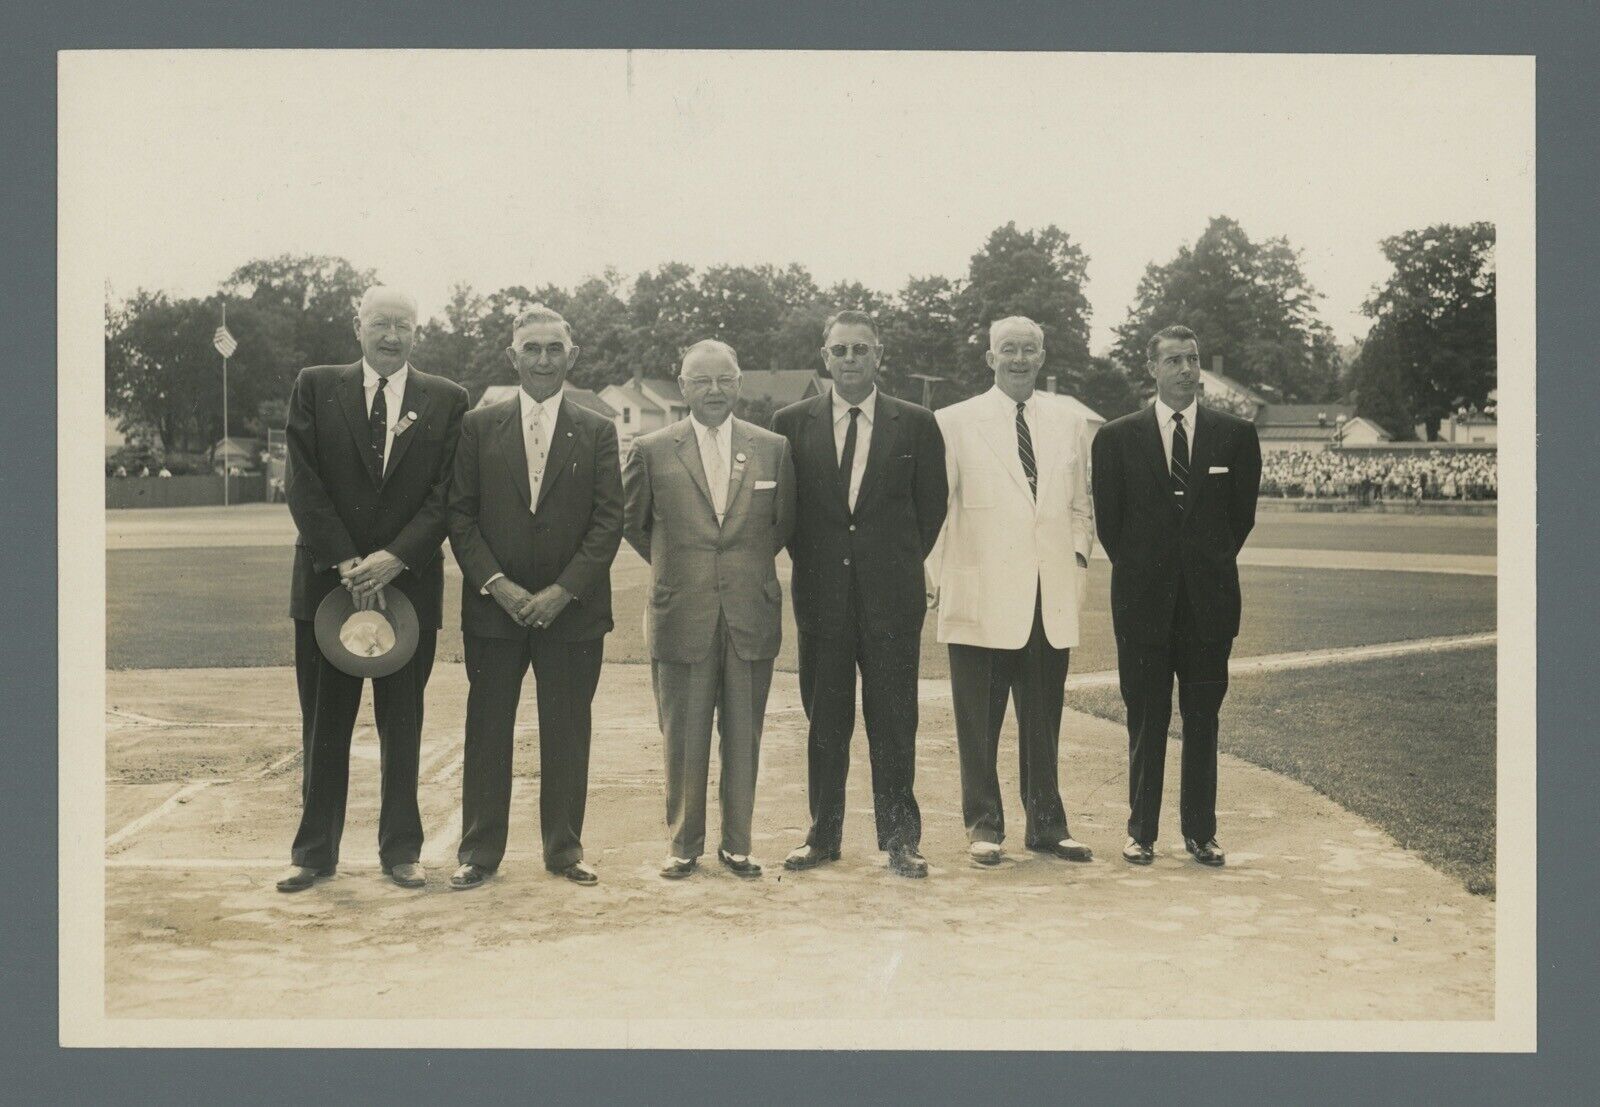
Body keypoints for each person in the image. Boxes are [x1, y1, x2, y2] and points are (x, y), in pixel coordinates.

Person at [277, 286, 469, 893]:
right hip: (326, 586)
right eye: (380, 323)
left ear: (418, 333)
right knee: (323, 727)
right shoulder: (314, 385)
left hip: (408, 588)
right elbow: (303, 484)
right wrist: (347, 562)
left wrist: (393, 559)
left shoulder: (447, 399)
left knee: (403, 724)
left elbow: (448, 495)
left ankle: (401, 852)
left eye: (403, 325)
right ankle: (314, 854)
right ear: (357, 326)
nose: (391, 335)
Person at [446, 305, 623, 890]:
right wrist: (499, 586)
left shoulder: (597, 429)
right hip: (495, 613)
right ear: (512, 356)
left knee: (568, 731)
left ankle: (564, 849)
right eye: (532, 348)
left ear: (571, 357)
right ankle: (480, 851)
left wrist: (561, 593)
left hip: (571, 616)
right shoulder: (477, 425)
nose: (543, 359)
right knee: (488, 730)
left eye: (555, 349)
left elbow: (607, 524)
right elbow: (460, 517)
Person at [772, 309, 947, 879]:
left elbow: (932, 508)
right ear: (825, 357)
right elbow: (787, 514)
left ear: (879, 356)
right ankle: (822, 836)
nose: (850, 360)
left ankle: (900, 840)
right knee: (825, 719)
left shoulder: (916, 423)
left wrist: (892, 567)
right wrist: (825, 568)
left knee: (894, 719)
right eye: (840, 350)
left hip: (891, 600)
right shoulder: (791, 422)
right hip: (822, 597)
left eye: (860, 350)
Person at [925, 316, 1096, 869]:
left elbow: (1078, 504)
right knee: (979, 719)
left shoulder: (1069, 422)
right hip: (979, 594)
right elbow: (935, 511)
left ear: (1043, 357)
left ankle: (1048, 825)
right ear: (990, 358)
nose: (1019, 359)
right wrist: (938, 578)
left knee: (1043, 720)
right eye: (1008, 350)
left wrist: (1075, 555)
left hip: (1049, 594)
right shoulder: (953, 421)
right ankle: (983, 824)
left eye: (1029, 349)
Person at [622, 339, 796, 880]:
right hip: (682, 612)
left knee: (745, 734)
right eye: (702, 381)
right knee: (684, 734)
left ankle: (738, 844)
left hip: (750, 611)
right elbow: (635, 524)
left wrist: (739, 570)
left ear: (740, 384)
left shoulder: (773, 448)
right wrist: (681, 571)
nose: (714, 391)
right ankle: (683, 845)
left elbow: (782, 524)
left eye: (725, 380)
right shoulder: (651, 449)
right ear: (682, 386)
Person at [1090, 324, 1261, 868]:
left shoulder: (1235, 435)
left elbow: (1240, 520)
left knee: (1203, 718)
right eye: (1174, 361)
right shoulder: (1116, 438)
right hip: (1142, 604)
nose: (1186, 369)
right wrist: (1152, 574)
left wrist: (1199, 568)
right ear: (1152, 369)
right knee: (1145, 716)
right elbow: (1111, 528)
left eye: (1193, 359)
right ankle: (1141, 831)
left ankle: (1200, 832)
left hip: (1208, 605)